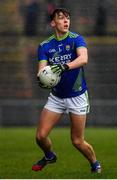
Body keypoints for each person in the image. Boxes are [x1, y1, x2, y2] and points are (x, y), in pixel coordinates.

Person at [32, 8, 101, 173]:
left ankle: (94, 163)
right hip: (56, 97)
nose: (65, 21)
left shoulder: (77, 39)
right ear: (52, 23)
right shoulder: (45, 46)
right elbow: (41, 70)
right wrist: (41, 78)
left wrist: (64, 66)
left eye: (67, 18)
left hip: (77, 96)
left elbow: (83, 59)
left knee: (77, 141)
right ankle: (49, 156)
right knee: (40, 137)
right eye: (61, 18)